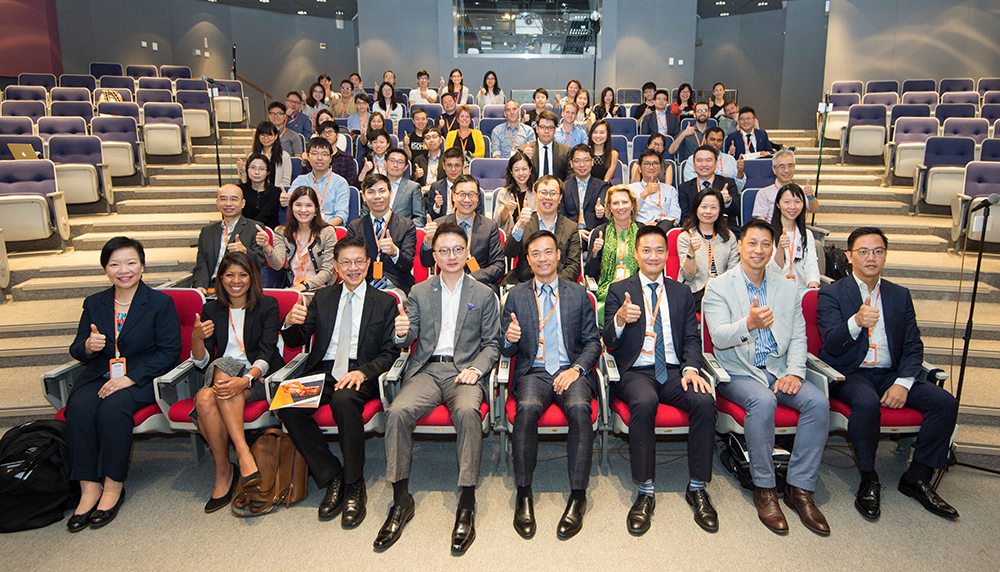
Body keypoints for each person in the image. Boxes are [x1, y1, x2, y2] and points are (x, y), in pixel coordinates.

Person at [816, 227, 959, 521]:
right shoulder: (831, 293)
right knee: (867, 403)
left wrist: (904, 383)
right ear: (849, 256)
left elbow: (913, 345)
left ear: (885, 256)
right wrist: (856, 321)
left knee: (944, 402)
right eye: (863, 252)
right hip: (850, 372)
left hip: (892, 373)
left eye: (878, 251)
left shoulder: (899, 295)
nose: (871, 258)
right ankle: (869, 477)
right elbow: (831, 343)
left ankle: (917, 477)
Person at [702, 218, 831, 536]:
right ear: (741, 245)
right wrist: (749, 323)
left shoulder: (787, 288)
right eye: (752, 243)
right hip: (737, 371)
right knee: (762, 401)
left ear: (772, 248)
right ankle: (765, 487)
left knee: (818, 403)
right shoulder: (719, 286)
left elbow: (799, 337)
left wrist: (795, 372)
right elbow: (718, 337)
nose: (758, 250)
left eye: (765, 244)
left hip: (778, 370)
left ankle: (799, 488)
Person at [377, 222, 500, 552]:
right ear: (434, 255)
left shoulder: (483, 294)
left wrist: (476, 368)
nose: (451, 256)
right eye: (443, 250)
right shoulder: (419, 291)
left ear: (467, 252)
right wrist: (401, 331)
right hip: (428, 370)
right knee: (398, 411)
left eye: (457, 249)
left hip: (465, 372)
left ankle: (467, 500)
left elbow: (492, 343)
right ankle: (401, 499)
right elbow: (406, 335)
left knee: (467, 412)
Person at [278, 235, 402, 526]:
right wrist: (289, 322)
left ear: (368, 263)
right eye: (346, 262)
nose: (353, 268)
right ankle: (332, 475)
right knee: (285, 403)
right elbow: (298, 339)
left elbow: (390, 352)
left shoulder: (384, 302)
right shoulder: (322, 298)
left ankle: (354, 483)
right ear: (335, 266)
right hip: (322, 370)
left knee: (344, 401)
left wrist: (364, 372)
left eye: (359, 261)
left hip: (361, 371)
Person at [603, 225, 718, 534]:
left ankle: (697, 487)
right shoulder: (619, 290)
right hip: (636, 370)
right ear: (637, 254)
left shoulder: (680, 292)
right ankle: (646, 490)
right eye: (646, 250)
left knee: (704, 401)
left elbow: (692, 339)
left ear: (667, 255)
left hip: (674, 371)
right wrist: (619, 319)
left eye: (659, 251)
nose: (653, 256)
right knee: (645, 401)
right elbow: (609, 342)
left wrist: (692, 368)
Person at [65, 237, 181, 532]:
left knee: (113, 409)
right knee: (78, 407)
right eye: (115, 264)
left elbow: (169, 352)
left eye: (130, 263)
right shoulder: (94, 303)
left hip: (140, 378)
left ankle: (113, 487)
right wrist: (89, 346)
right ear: (106, 269)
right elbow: (77, 348)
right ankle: (89, 487)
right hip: (101, 374)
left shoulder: (159, 303)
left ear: (142, 266)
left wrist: (130, 379)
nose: (123, 270)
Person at [500, 229, 601, 539]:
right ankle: (524, 492)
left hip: (570, 369)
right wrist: (509, 339)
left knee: (579, 409)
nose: (542, 258)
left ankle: (578, 495)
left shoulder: (578, 293)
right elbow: (504, 349)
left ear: (559, 255)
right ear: (528, 261)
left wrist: (578, 369)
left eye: (548, 252)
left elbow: (592, 342)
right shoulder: (516, 294)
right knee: (526, 409)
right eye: (535, 254)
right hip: (534, 371)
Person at [191, 252, 283, 513]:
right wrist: (196, 339)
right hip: (224, 379)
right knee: (219, 370)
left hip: (257, 375)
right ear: (220, 278)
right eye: (229, 274)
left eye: (243, 274)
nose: (236, 280)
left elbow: (267, 351)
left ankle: (227, 469)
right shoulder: (210, 309)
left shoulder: (268, 305)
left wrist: (245, 380)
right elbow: (201, 361)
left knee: (204, 398)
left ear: (252, 277)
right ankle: (239, 457)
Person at [420, 174, 505, 294]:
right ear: (453, 196)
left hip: (479, 286)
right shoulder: (439, 224)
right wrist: (429, 241)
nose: (467, 199)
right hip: (445, 285)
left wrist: (471, 278)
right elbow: (427, 263)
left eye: (471, 194)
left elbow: (498, 266)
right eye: (462, 194)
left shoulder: (489, 226)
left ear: (477, 197)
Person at [346, 174, 417, 297]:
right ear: (363, 197)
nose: (377, 196)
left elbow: (407, 265)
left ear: (391, 193)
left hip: (397, 287)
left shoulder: (406, 225)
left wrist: (395, 252)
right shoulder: (355, 227)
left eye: (382, 191)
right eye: (371, 192)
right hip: (364, 285)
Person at [503, 175, 582, 286]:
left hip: (559, 287)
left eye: (553, 193)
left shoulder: (571, 227)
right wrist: (520, 225)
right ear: (535, 196)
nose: (548, 197)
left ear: (560, 198)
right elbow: (509, 252)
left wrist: (551, 284)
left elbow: (573, 267)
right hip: (525, 285)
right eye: (543, 192)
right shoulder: (524, 222)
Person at [258, 186, 338, 292]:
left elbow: (328, 271)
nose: (303, 210)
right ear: (291, 208)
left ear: (316, 209)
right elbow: (277, 265)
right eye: (298, 205)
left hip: (323, 290)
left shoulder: (327, 232)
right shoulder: (281, 232)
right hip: (293, 288)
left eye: (309, 205)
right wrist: (266, 247)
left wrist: (302, 287)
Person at [192, 185, 266, 294]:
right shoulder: (207, 231)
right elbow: (201, 264)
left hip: (241, 288)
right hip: (212, 288)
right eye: (223, 199)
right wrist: (200, 286)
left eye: (234, 199)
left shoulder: (255, 228)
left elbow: (261, 263)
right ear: (217, 202)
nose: (228, 203)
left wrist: (245, 251)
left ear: (243, 203)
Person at [585, 185, 639, 323]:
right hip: (608, 289)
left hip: (637, 289)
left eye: (625, 202)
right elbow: (590, 272)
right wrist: (595, 253)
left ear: (632, 205)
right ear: (609, 207)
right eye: (615, 203)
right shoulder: (599, 233)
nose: (620, 207)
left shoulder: (642, 232)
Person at [677, 188, 740, 305]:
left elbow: (733, 271)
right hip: (695, 291)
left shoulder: (729, 237)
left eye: (714, 207)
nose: (708, 211)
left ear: (720, 211)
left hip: (722, 290)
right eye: (704, 207)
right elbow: (688, 276)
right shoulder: (685, 237)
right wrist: (691, 251)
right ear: (696, 209)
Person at [768, 184, 821, 291]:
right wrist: (780, 249)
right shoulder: (768, 233)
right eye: (787, 202)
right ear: (778, 204)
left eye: (797, 202)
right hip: (775, 289)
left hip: (800, 289)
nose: (792, 207)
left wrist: (813, 288)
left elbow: (811, 265)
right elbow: (770, 271)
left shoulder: (806, 234)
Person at [677, 145, 740, 234]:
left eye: (708, 160)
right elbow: (685, 217)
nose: (704, 164)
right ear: (694, 165)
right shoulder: (684, 188)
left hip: (725, 230)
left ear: (716, 163)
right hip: (696, 232)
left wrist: (727, 202)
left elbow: (736, 211)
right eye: (699, 160)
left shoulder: (727, 183)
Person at [288, 137, 349, 226]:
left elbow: (341, 215)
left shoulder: (340, 183)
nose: (320, 158)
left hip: (330, 230)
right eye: (315, 153)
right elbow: (291, 205)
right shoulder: (300, 181)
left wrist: (325, 230)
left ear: (330, 158)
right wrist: (285, 199)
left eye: (324, 154)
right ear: (308, 156)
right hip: (303, 229)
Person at [361, 148, 424, 227]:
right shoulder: (374, 185)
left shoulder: (413, 187)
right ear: (385, 163)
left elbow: (420, 218)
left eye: (400, 162)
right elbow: (364, 215)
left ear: (406, 167)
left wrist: (403, 230)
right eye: (392, 161)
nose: (395, 165)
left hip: (402, 234)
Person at [560, 143, 610, 243]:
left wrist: (602, 211)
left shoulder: (602, 186)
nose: (582, 165)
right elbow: (561, 215)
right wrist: (576, 231)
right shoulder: (563, 187)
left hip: (595, 233)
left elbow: (604, 206)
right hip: (571, 234)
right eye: (577, 161)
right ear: (571, 163)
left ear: (592, 162)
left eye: (586, 160)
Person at [752, 150, 818, 219]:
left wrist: (810, 196)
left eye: (790, 166)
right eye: (781, 166)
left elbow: (813, 209)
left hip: (795, 229)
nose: (786, 170)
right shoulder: (764, 193)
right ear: (774, 169)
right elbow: (761, 221)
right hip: (772, 228)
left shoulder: (799, 191)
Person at [681, 126, 747, 193]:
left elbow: (738, 189)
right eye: (712, 139)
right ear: (705, 140)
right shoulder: (693, 159)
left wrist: (740, 172)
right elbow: (691, 187)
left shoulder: (730, 160)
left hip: (726, 198)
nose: (715, 143)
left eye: (719, 140)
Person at [428, 147, 486, 220]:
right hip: (443, 227)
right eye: (449, 165)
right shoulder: (436, 187)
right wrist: (437, 207)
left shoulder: (472, 187)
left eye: (457, 165)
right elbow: (431, 217)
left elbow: (478, 214)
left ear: (463, 166)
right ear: (443, 166)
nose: (453, 169)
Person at [631, 149, 680, 230]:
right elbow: (628, 212)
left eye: (655, 163)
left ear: (660, 167)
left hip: (663, 228)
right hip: (641, 227)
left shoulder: (670, 190)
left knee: (666, 224)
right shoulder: (631, 189)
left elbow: (675, 214)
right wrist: (644, 194)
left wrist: (658, 224)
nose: (651, 167)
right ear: (639, 168)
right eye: (647, 164)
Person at [493, 150, 537, 235]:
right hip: (510, 238)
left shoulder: (537, 192)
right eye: (516, 170)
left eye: (524, 169)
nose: (521, 173)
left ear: (530, 170)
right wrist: (506, 208)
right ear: (511, 172)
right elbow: (498, 224)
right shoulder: (503, 193)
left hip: (532, 237)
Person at [237, 121, 291, 188]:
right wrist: (243, 170)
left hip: (276, 193)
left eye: (269, 135)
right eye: (262, 135)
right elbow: (248, 181)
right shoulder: (252, 155)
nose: (266, 138)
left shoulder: (284, 156)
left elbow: (286, 181)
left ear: (276, 136)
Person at [519, 110, 570, 180]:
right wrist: (524, 159)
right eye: (543, 127)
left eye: (550, 128)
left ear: (555, 129)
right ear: (537, 128)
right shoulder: (523, 150)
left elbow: (570, 176)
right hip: (532, 189)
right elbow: (514, 173)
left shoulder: (566, 151)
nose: (546, 131)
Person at [238, 153, 282, 229]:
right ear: (247, 169)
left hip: (268, 232)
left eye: (261, 169)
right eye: (252, 167)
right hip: (244, 231)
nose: (257, 172)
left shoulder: (275, 192)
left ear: (268, 172)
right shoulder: (240, 190)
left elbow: (264, 215)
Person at [315, 122, 359, 188]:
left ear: (337, 135)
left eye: (330, 132)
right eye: (324, 132)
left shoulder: (346, 158)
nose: (327, 135)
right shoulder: (315, 157)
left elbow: (350, 183)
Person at [588, 119, 619, 184]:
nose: (598, 136)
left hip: (604, 188)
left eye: (602, 132)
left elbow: (607, 180)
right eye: (595, 132)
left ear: (607, 135)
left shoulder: (613, 154)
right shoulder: (586, 152)